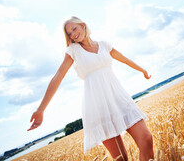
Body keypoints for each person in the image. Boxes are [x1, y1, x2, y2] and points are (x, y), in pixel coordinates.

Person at [28, 16, 154, 161]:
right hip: (97, 105)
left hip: (118, 97)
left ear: (82, 25)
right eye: (69, 33)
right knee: (121, 159)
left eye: (74, 28)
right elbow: (58, 76)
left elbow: (124, 59)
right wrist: (41, 109)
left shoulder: (104, 45)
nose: (73, 34)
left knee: (146, 139)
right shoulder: (73, 50)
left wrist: (143, 70)